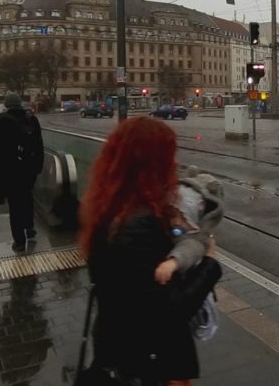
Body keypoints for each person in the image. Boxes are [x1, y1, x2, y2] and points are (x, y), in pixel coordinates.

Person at [80, 118, 222, 386]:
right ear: (152, 164)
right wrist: (209, 265)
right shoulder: (138, 225)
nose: (173, 164)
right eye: (168, 157)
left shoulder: (109, 209)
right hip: (148, 363)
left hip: (119, 346)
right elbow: (166, 313)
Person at [154, 167, 225, 341]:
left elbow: (189, 250)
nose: (175, 222)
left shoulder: (195, 238)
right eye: (173, 215)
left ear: (194, 220)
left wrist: (173, 262)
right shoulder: (178, 230)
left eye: (183, 218)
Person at [0, 93, 44, 251]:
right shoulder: (31, 120)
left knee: (14, 204)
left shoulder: (3, 122)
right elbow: (39, 145)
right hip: (29, 169)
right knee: (27, 197)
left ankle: (19, 240)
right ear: (20, 104)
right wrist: (37, 167)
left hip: (10, 172)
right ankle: (30, 228)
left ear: (7, 105)